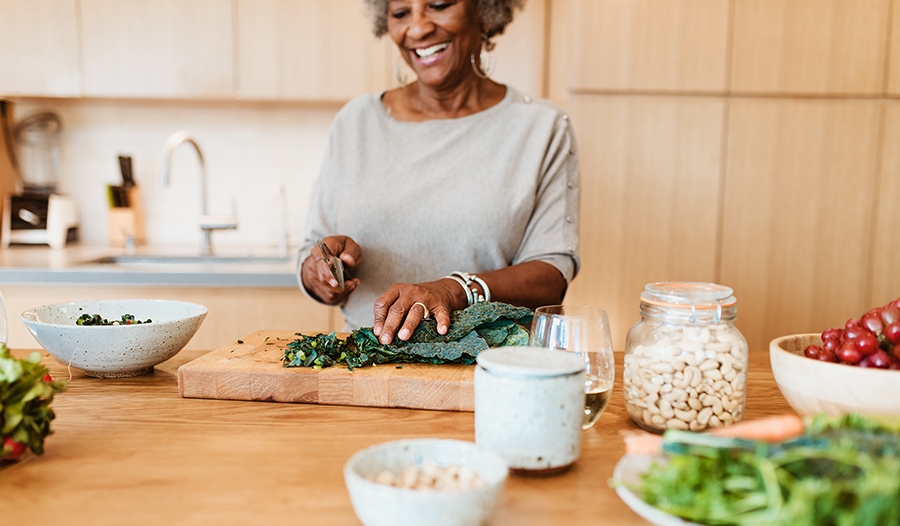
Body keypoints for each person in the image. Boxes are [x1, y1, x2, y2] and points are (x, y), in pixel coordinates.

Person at [297, 0, 580, 347]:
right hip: (367, 366)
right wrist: (321, 273)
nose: (417, 29)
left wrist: (455, 289)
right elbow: (311, 254)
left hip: (492, 368)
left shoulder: (541, 127)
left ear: (484, 11)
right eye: (401, 13)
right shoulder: (356, 122)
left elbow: (551, 276)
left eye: (439, 5)